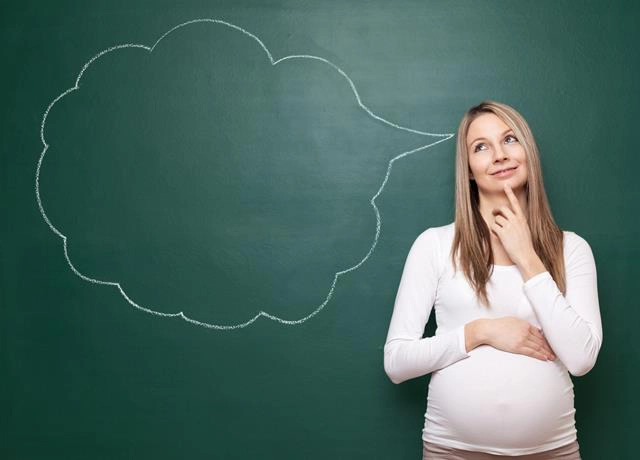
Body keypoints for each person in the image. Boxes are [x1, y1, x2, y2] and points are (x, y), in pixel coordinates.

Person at [383, 100, 603, 459]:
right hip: (451, 450)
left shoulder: (572, 249)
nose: (499, 155)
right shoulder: (436, 245)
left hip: (553, 451)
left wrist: (528, 258)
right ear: (469, 169)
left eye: (510, 139)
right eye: (481, 147)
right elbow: (397, 362)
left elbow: (581, 359)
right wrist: (480, 332)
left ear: (528, 152)